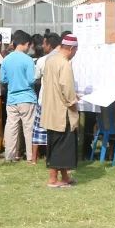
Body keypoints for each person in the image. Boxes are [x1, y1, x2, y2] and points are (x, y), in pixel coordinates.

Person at [41, 34, 81, 188]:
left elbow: (55, 85)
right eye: (76, 50)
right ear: (71, 48)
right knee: (61, 146)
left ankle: (64, 177)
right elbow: (66, 87)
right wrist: (73, 101)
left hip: (51, 108)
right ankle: (52, 179)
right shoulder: (64, 64)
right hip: (62, 112)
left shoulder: (50, 60)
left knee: (56, 143)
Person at [1, 30, 38, 163]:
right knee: (29, 128)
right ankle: (30, 157)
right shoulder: (28, 60)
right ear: (26, 44)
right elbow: (31, 80)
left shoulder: (6, 59)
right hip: (27, 97)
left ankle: (9, 156)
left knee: (11, 127)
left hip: (12, 99)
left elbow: (3, 79)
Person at [31, 33, 60, 163]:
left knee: (38, 129)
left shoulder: (42, 60)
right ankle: (52, 156)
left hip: (44, 100)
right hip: (57, 102)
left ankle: (33, 158)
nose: (42, 46)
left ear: (49, 45)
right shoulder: (63, 59)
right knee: (54, 130)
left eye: (44, 43)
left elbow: (35, 77)